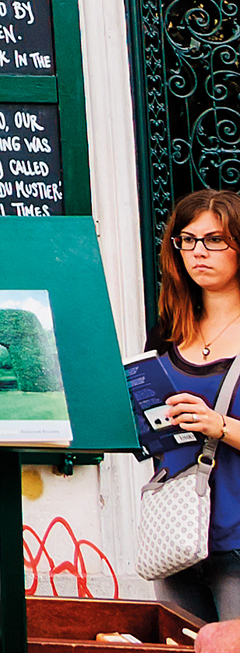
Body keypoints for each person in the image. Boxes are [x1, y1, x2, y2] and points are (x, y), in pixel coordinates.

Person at [144, 189, 240, 620]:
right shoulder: (167, 332)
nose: (199, 252)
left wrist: (217, 424)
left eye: (215, 239)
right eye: (188, 239)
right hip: (177, 535)